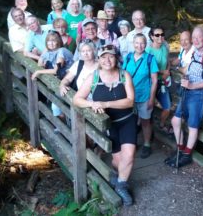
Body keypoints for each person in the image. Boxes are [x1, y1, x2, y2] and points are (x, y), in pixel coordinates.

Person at [73, 45, 136, 206]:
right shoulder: (94, 77)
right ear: (99, 59)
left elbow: (130, 100)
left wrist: (105, 103)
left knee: (129, 155)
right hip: (110, 124)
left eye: (111, 56)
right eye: (103, 57)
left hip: (127, 120)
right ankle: (119, 176)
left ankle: (121, 186)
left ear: (116, 58)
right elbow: (77, 99)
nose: (107, 60)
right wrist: (91, 103)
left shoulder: (124, 75)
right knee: (117, 160)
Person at [165, 25, 203, 168]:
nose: (196, 40)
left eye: (199, 37)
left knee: (192, 124)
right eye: (194, 37)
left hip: (198, 93)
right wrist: (185, 76)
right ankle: (180, 150)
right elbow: (190, 68)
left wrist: (193, 85)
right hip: (188, 90)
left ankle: (186, 155)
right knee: (176, 121)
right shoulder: (195, 52)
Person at [123, 33, 159, 159]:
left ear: (146, 44)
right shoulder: (127, 58)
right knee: (131, 122)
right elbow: (123, 76)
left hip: (144, 96)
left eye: (142, 43)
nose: (139, 45)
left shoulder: (150, 59)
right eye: (137, 43)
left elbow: (155, 80)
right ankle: (131, 144)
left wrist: (152, 98)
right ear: (133, 44)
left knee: (145, 122)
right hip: (129, 97)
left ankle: (147, 144)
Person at [31, 31, 74, 121]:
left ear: (58, 42)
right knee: (57, 107)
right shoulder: (50, 52)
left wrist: (39, 71)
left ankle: (66, 127)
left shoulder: (62, 51)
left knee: (56, 107)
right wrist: (44, 53)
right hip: (60, 82)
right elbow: (40, 64)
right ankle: (64, 126)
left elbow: (55, 70)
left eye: (54, 41)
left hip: (71, 82)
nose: (51, 43)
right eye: (49, 41)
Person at [146, 26, 171, 134]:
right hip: (150, 83)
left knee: (167, 107)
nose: (160, 37)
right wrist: (162, 72)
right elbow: (147, 69)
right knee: (148, 108)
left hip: (162, 83)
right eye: (157, 35)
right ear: (152, 37)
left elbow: (168, 61)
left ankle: (161, 124)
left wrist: (168, 71)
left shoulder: (164, 48)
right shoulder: (148, 51)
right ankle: (148, 131)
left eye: (162, 34)